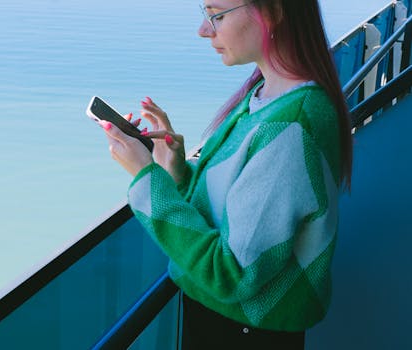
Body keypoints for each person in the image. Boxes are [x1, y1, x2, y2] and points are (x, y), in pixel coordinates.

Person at [97, 0, 352, 348]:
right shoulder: (264, 94)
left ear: (274, 11)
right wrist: (177, 172)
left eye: (216, 14)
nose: (205, 30)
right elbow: (236, 214)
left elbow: (230, 275)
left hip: (241, 333)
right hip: (228, 322)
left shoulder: (293, 124)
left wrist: (145, 178)